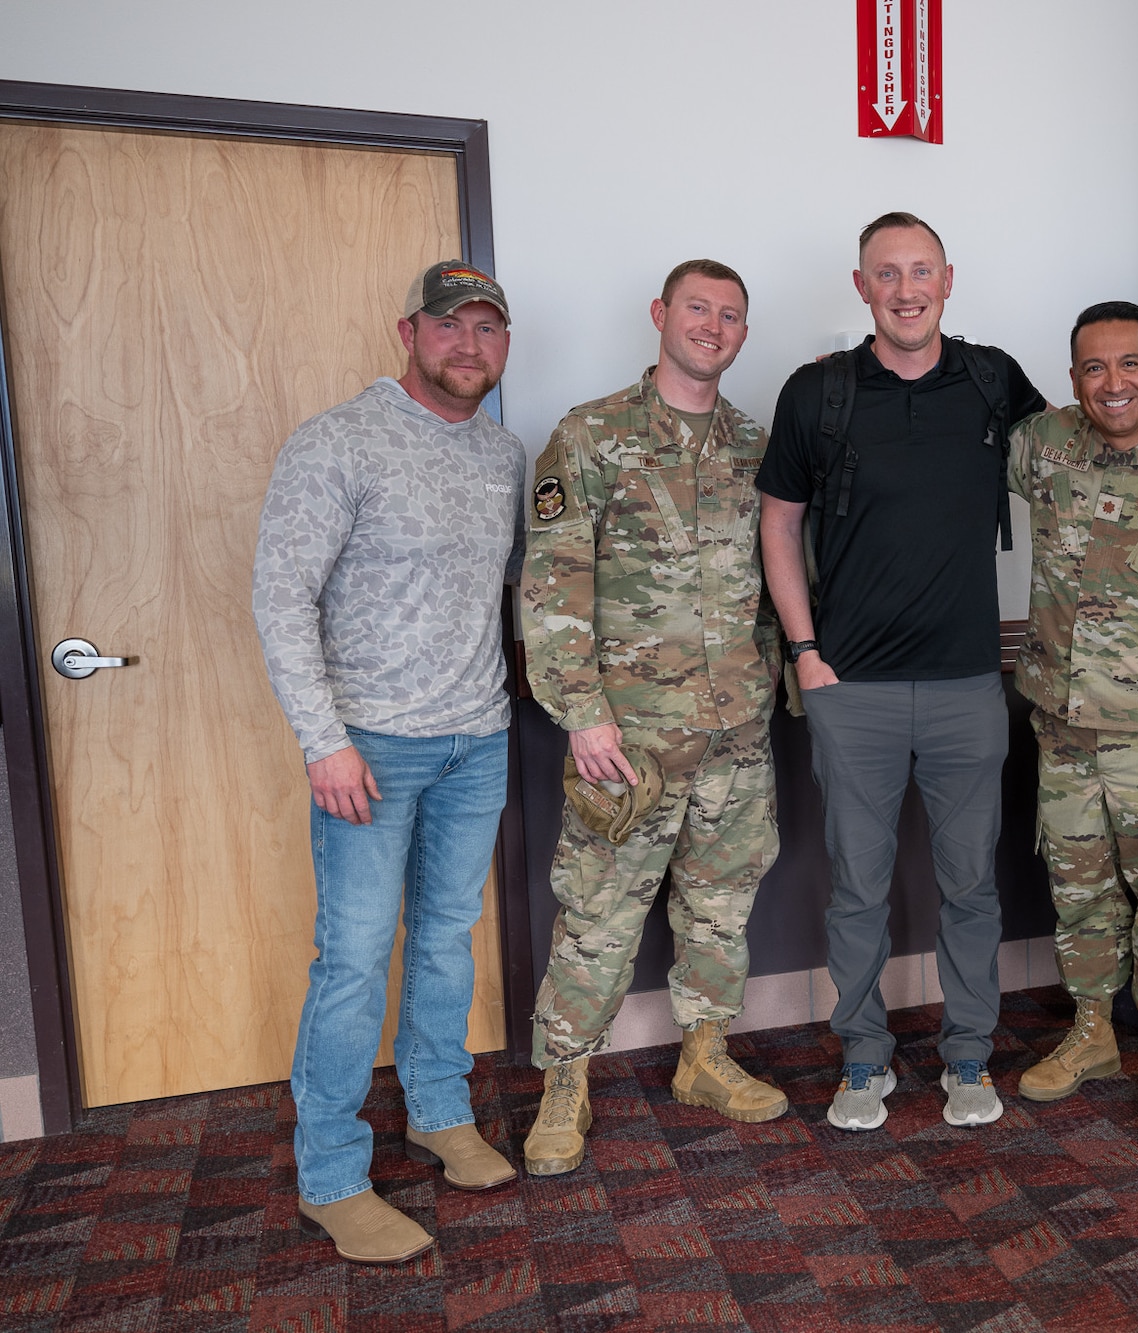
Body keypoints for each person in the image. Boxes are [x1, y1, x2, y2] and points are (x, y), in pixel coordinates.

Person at [253, 260, 522, 1265]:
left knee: (449, 937)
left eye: (489, 328)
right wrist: (323, 738)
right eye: (451, 326)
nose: (470, 344)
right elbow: (281, 596)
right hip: (368, 750)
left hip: (477, 741)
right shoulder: (337, 443)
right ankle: (331, 1172)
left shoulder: (502, 454)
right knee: (355, 959)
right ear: (408, 331)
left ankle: (440, 1111)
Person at [758, 213, 1047, 1132]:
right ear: (862, 287)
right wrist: (806, 654)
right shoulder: (819, 394)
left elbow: (1089, 453)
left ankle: (968, 1053)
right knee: (857, 887)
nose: (907, 288)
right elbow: (777, 523)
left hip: (969, 685)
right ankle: (863, 1057)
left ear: (948, 280)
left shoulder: (994, 380)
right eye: (888, 273)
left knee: (971, 886)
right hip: (854, 691)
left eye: (922, 271)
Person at [518, 259, 788, 1176]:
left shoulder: (756, 446)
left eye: (731, 316)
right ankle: (565, 1078)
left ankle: (705, 1056)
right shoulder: (591, 436)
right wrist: (583, 717)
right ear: (660, 315)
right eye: (697, 308)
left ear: (744, 334)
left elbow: (774, 585)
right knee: (597, 913)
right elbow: (555, 584)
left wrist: (773, 692)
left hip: (734, 734)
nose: (713, 326)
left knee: (721, 906)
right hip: (626, 741)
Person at [1006, 302, 1138, 1143]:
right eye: (1094, 369)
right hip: (1062, 724)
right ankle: (1092, 1030)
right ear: (1072, 381)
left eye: (1129, 364)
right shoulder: (1044, 446)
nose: (1113, 383)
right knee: (1078, 885)